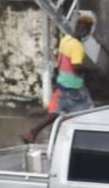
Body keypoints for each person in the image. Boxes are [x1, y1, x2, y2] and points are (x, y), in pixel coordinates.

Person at [21, 10, 96, 144]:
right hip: (74, 87)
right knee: (90, 112)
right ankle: (80, 141)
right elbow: (76, 66)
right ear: (86, 30)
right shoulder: (77, 46)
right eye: (89, 30)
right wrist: (90, 70)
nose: (88, 34)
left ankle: (34, 132)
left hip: (63, 84)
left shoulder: (65, 40)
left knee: (56, 113)